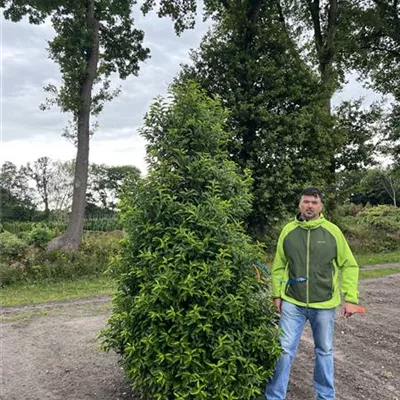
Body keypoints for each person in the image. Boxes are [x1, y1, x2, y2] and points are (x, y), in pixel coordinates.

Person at [265, 187, 360, 400]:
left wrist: (351, 299)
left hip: (324, 304)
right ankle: (274, 396)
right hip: (293, 303)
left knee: (324, 351)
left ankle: (325, 396)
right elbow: (279, 265)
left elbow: (349, 265)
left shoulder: (333, 232)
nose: (309, 206)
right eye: (306, 201)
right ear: (299, 204)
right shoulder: (288, 231)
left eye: (314, 202)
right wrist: (277, 294)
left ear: (321, 206)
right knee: (283, 350)